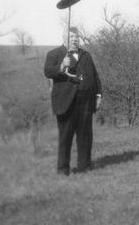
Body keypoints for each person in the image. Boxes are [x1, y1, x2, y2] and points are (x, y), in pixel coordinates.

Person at [44, 26, 102, 175]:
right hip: (65, 103)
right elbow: (48, 72)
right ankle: (63, 170)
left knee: (85, 136)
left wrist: (98, 95)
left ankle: (85, 167)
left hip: (86, 103)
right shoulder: (54, 54)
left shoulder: (86, 55)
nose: (75, 40)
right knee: (65, 137)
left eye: (77, 37)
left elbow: (95, 76)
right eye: (71, 37)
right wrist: (62, 65)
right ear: (64, 39)